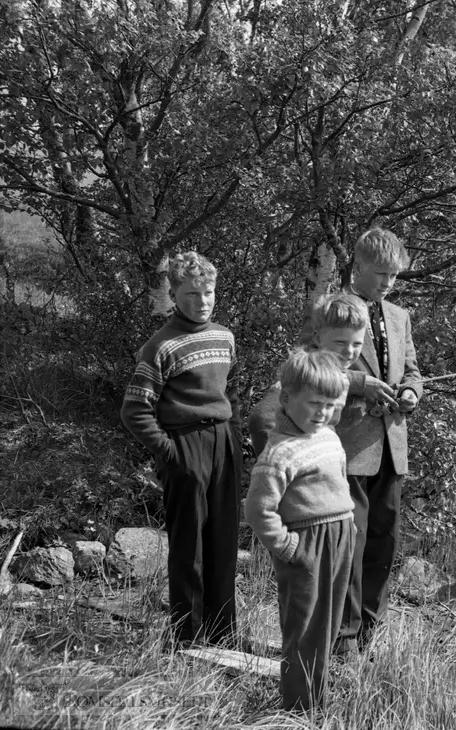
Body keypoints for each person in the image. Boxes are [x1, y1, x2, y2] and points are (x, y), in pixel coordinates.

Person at [120, 251, 241, 649]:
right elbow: (135, 408)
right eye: (191, 294)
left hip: (223, 441)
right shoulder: (160, 346)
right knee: (189, 546)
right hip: (184, 445)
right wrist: (168, 452)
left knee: (224, 541)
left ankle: (223, 636)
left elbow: (222, 390)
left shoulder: (224, 336)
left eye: (208, 293)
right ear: (173, 294)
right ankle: (186, 639)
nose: (201, 301)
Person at [320, 227, 423, 658]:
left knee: (385, 542)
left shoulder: (400, 317)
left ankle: (368, 635)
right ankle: (343, 641)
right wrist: (362, 385)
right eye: (380, 274)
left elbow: (414, 371)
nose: (387, 283)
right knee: (352, 545)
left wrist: (411, 394)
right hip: (347, 449)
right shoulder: (330, 311)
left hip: (392, 449)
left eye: (394, 276)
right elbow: (311, 374)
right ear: (358, 267)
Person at [244, 350, 355, 712]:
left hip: (339, 538)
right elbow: (259, 511)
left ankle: (317, 703)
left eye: (329, 404)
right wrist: (289, 548)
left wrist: (348, 526)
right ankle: (298, 709)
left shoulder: (328, 436)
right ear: (288, 399)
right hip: (306, 545)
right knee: (304, 630)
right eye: (314, 404)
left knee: (329, 626)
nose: (322, 413)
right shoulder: (279, 452)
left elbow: (337, 485)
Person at [247, 292, 371, 457]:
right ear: (318, 338)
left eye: (357, 344)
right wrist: (282, 461)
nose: (349, 351)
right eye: (340, 342)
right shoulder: (307, 373)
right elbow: (262, 418)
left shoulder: (337, 374)